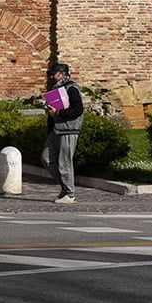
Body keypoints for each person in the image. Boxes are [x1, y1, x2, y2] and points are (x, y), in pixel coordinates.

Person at [41, 63, 84, 204]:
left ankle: (70, 194)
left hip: (69, 129)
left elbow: (78, 110)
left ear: (62, 73)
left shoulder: (72, 89)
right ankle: (65, 187)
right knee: (46, 158)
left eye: (54, 74)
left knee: (65, 162)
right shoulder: (56, 89)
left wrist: (58, 112)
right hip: (57, 129)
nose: (52, 77)